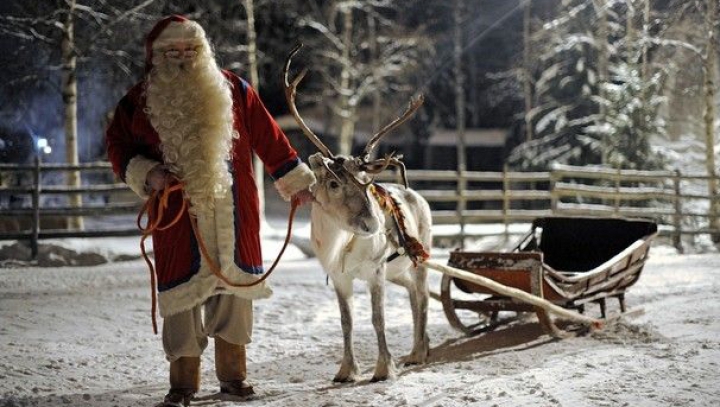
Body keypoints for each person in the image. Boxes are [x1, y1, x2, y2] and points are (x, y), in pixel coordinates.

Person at [105, 15, 315, 407]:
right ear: (157, 57)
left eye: (190, 49)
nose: (183, 57)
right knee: (181, 299)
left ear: (202, 51)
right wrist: (147, 173)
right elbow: (117, 147)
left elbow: (270, 137)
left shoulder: (234, 89)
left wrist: (296, 182)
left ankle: (234, 378)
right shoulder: (137, 100)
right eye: (173, 51)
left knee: (235, 293)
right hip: (175, 214)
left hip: (234, 212)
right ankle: (182, 385)